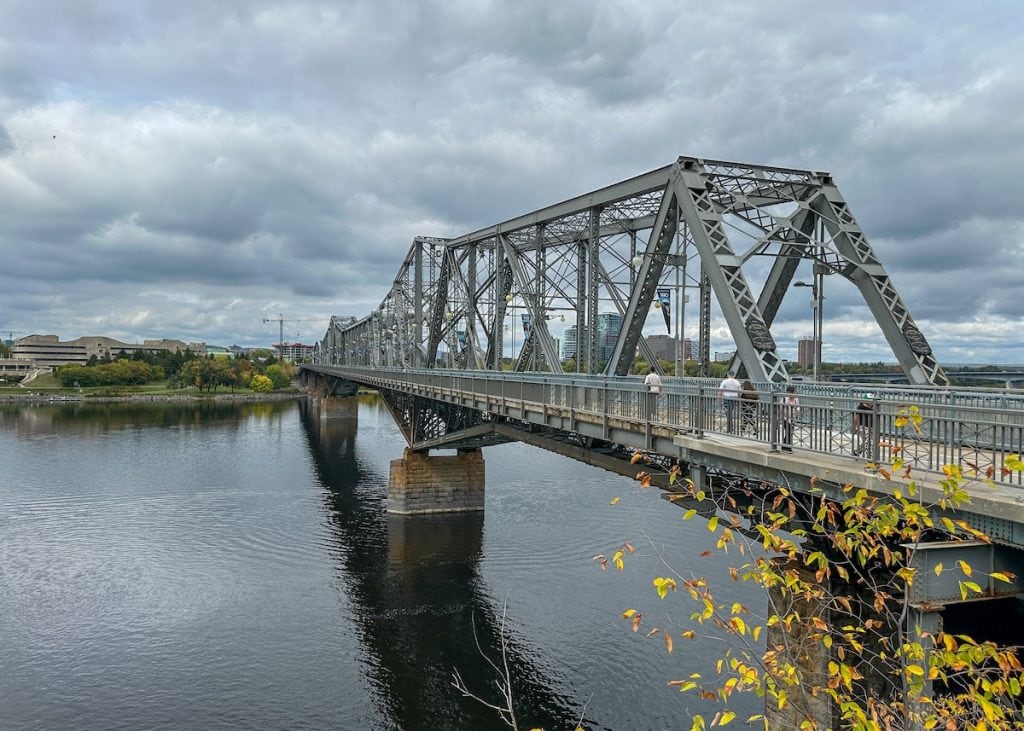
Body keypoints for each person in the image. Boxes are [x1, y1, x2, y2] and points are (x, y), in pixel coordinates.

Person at [780, 385, 800, 452]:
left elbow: (798, 407)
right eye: (791, 393)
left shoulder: (796, 399)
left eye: (793, 392)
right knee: (788, 431)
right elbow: (780, 408)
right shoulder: (784, 399)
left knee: (790, 432)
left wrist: (796, 412)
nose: (792, 394)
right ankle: (788, 447)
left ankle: (784, 446)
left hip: (793, 418)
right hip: (785, 418)